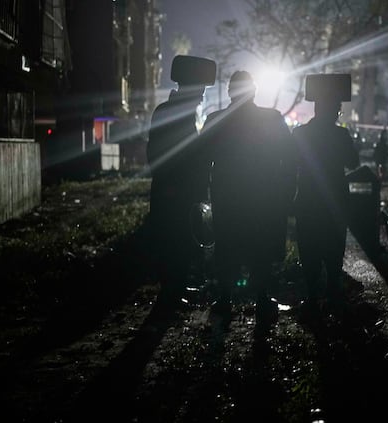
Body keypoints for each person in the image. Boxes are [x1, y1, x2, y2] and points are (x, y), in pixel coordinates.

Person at [199, 71, 295, 321]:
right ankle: (262, 296)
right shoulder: (272, 118)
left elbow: (201, 159)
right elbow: (290, 157)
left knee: (227, 245)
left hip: (228, 195)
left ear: (231, 92)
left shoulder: (215, 119)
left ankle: (225, 297)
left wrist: (202, 192)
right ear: (253, 92)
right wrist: (286, 189)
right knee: (261, 245)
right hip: (263, 195)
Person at [146, 55, 215, 313]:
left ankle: (173, 289)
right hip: (173, 192)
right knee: (174, 242)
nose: (201, 97)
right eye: (200, 91)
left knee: (176, 241)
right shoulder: (176, 114)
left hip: (171, 190)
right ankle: (170, 294)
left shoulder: (168, 111)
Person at [291, 74, 360, 311]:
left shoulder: (300, 133)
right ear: (334, 110)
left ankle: (311, 296)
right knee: (333, 249)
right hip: (335, 201)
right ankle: (333, 292)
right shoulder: (341, 135)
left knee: (309, 248)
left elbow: (291, 164)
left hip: (308, 199)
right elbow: (353, 162)